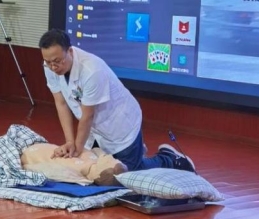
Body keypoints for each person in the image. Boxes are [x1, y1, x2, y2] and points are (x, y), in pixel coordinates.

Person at [39, 28, 195, 172]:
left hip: (119, 123)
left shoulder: (91, 70)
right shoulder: (50, 66)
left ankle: (169, 159)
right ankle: (138, 151)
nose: (53, 67)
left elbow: (88, 116)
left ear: (70, 51)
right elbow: (61, 103)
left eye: (57, 61)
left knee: (128, 173)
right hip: (95, 128)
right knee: (96, 166)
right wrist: (69, 142)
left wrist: (77, 149)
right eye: (48, 62)